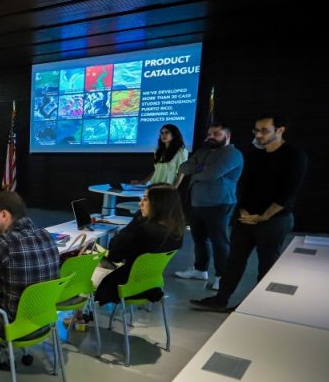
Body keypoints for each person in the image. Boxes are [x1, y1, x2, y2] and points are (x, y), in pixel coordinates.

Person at [191, 114, 308, 312]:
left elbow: (289, 193)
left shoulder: (295, 156)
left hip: (274, 220)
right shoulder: (254, 154)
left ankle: (257, 306)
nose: (258, 135)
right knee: (234, 261)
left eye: (264, 130)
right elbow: (243, 186)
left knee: (266, 265)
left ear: (280, 130)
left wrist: (264, 216)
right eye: (256, 130)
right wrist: (243, 210)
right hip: (246, 218)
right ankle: (220, 299)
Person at [0, 190, 60, 337]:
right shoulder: (45, 234)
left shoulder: (4, 243)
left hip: (11, 325)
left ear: (4, 215)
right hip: (42, 321)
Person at [172, 123, 243, 289]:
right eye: (210, 134)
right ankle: (200, 270)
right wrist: (200, 167)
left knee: (219, 242)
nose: (211, 137)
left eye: (216, 134)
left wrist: (195, 173)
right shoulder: (203, 151)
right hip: (197, 202)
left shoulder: (232, 154)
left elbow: (212, 174)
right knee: (199, 239)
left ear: (227, 136)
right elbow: (183, 167)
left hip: (219, 204)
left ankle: (221, 277)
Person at [92, 185, 185, 305]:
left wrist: (135, 222)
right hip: (150, 284)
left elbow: (114, 254)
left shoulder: (144, 231)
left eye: (145, 199)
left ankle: (82, 314)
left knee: (79, 270)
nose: (140, 204)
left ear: (159, 204)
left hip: (123, 285)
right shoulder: (177, 232)